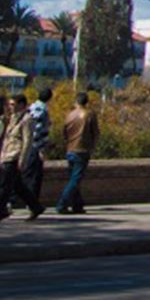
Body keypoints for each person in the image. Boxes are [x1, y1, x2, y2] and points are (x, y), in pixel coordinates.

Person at [0, 96, 43, 223]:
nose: (10, 107)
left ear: (22, 105)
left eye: (13, 104)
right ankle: (36, 206)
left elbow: (27, 141)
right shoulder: (11, 119)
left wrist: (23, 159)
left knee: (4, 187)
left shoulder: (27, 120)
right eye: (9, 104)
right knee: (17, 186)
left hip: (15, 155)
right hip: (7, 154)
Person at [56, 85, 99, 214]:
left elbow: (64, 133)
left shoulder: (69, 115)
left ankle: (77, 204)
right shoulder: (89, 114)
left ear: (76, 101)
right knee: (76, 179)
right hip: (82, 150)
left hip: (70, 149)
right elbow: (95, 133)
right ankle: (62, 204)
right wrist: (93, 146)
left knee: (74, 178)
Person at [23, 87, 53, 211]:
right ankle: (32, 202)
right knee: (34, 176)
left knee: (27, 175)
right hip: (34, 147)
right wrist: (41, 149)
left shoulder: (31, 107)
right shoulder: (42, 110)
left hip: (28, 145)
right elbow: (39, 131)